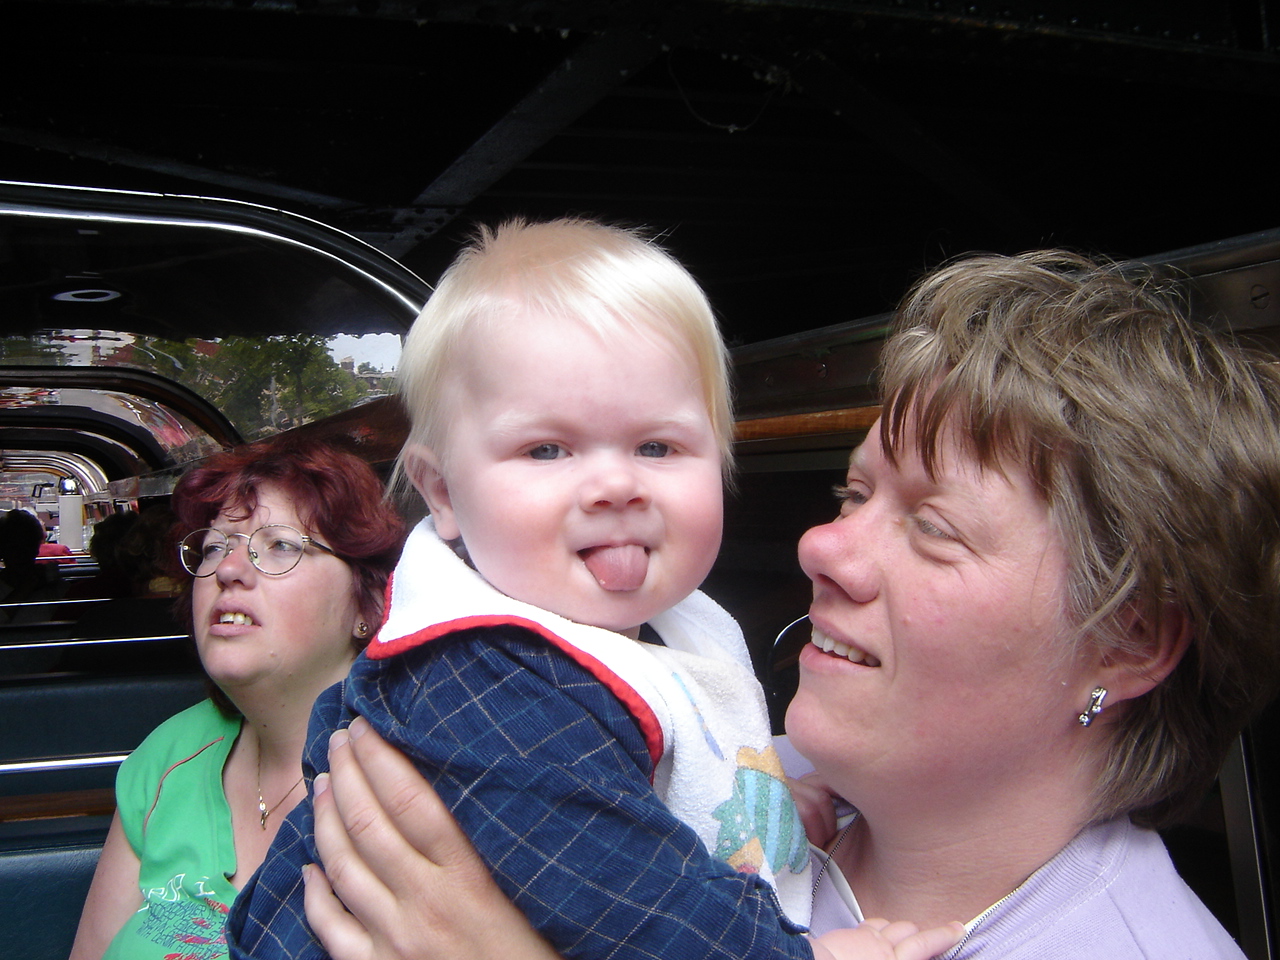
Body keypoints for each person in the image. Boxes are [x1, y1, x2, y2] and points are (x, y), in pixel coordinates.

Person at [301, 250, 1280, 960]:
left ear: (1126, 640)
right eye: (852, 494)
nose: (820, 547)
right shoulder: (739, 774)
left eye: (934, 526)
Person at [227, 218, 961, 960]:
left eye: (657, 446)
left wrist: (751, 812)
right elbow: (630, 903)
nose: (616, 483)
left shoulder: (645, 638)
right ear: (442, 492)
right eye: (547, 449)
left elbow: (628, 803)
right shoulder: (484, 676)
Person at [69, 438, 404, 960]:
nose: (227, 568)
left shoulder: (416, 773)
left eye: (280, 546)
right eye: (213, 547)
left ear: (368, 604)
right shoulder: (170, 753)